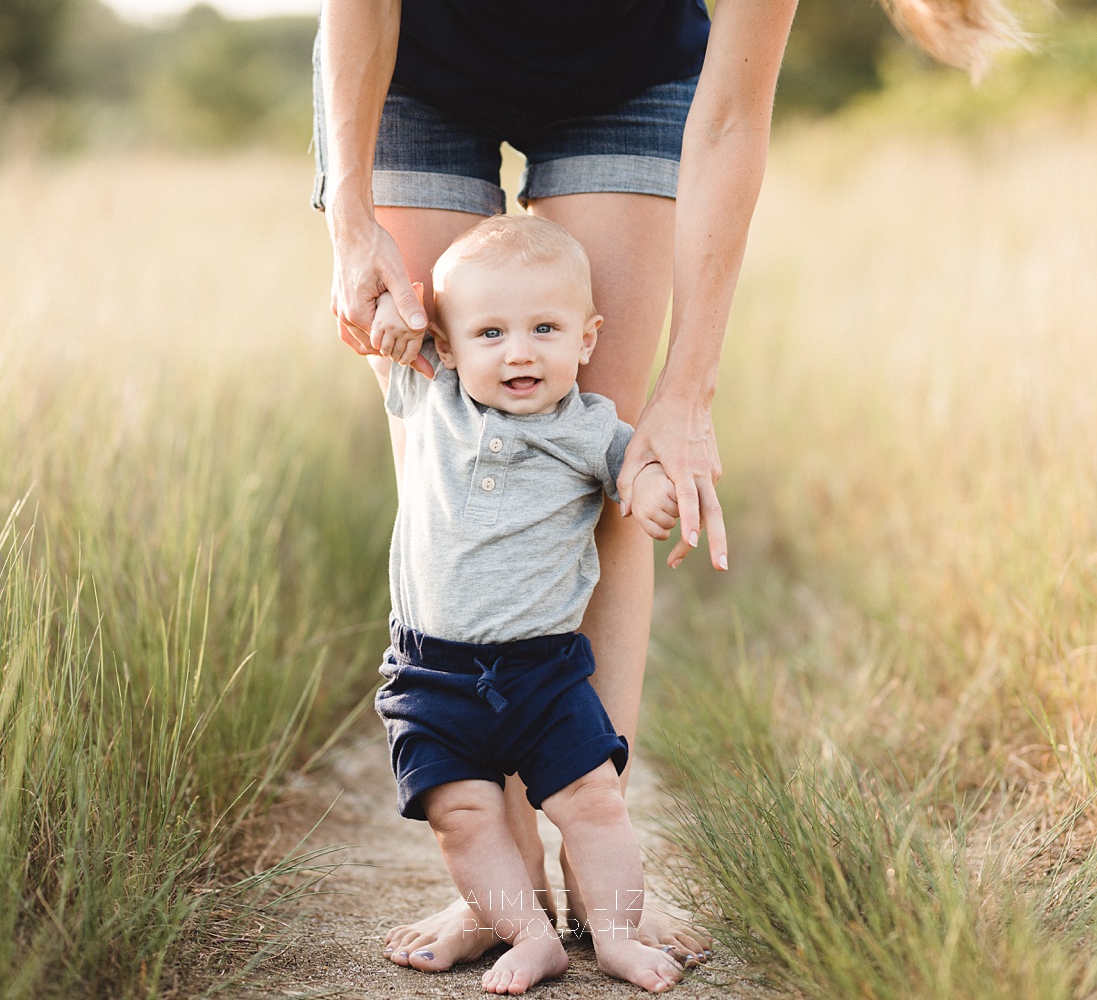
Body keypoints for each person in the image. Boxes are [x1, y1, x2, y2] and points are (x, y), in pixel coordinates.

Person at [314, 0, 1022, 972]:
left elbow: (729, 118)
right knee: (446, 445)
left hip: (626, 75)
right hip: (416, 72)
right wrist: (350, 217)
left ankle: (605, 868)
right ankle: (500, 884)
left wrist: (687, 390)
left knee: (605, 466)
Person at [367, 214, 687, 994]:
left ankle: (613, 933)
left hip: (542, 671)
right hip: (432, 673)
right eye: (490, 332)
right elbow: (382, 341)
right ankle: (528, 934)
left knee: (595, 801)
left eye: (546, 328)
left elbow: (632, 466)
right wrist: (389, 320)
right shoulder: (430, 394)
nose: (519, 351)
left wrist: (652, 492)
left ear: (587, 339)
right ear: (447, 343)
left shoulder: (589, 428)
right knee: (463, 817)